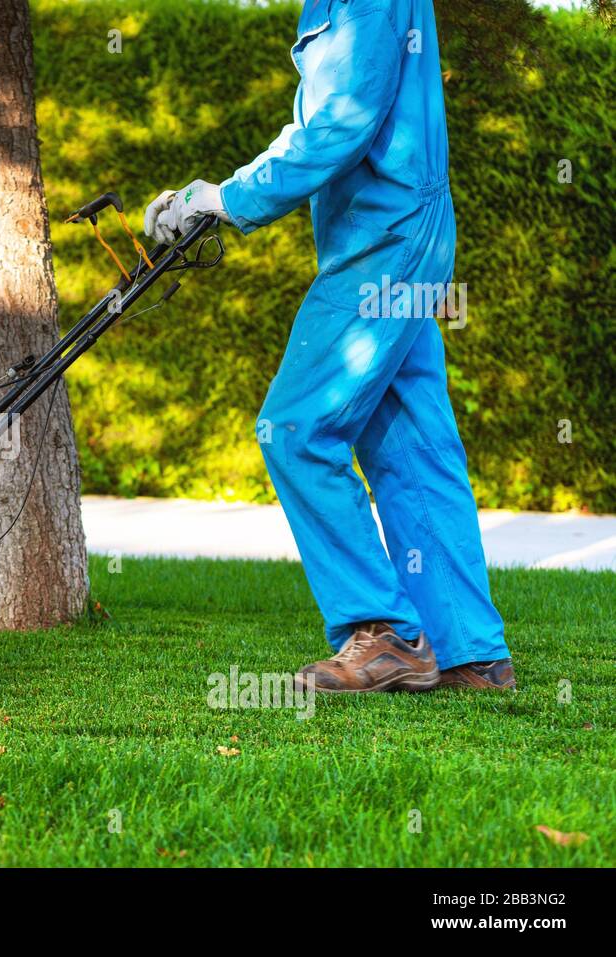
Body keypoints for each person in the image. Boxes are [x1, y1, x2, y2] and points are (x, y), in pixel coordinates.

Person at [144, 0, 514, 692]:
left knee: (296, 427)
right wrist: (213, 196)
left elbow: (342, 124)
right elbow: (322, 119)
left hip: (385, 242)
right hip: (394, 235)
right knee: (409, 441)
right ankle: (472, 652)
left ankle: (385, 632)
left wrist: (220, 199)